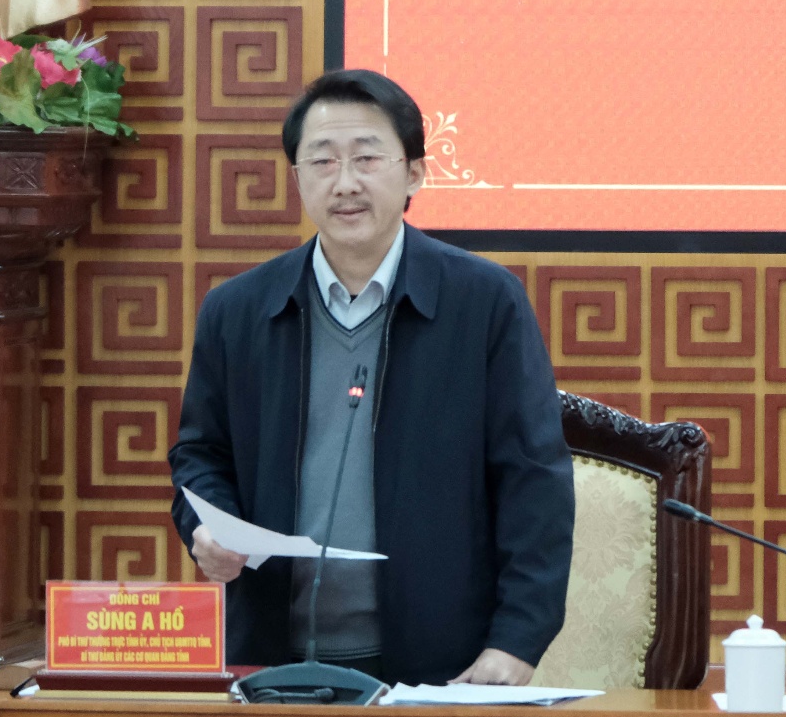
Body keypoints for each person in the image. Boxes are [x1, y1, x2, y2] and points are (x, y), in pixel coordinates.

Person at [168, 69, 575, 685]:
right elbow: (200, 455)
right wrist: (207, 527)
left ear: (415, 173)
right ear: (297, 178)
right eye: (322, 161)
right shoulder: (238, 310)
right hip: (269, 660)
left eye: (366, 158)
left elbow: (534, 480)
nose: (345, 183)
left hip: (442, 668)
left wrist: (516, 642)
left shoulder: (485, 302)